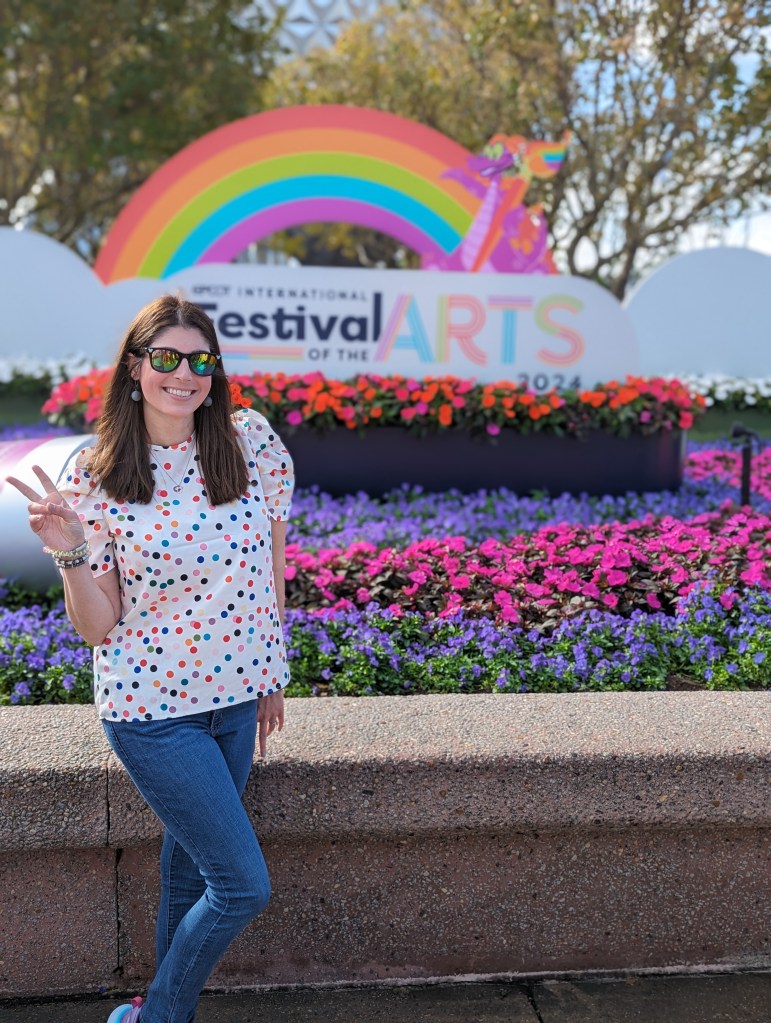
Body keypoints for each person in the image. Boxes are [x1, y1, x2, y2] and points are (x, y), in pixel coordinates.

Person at [7, 294, 295, 1023]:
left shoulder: (248, 443)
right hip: (153, 710)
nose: (184, 374)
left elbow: (269, 569)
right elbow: (98, 626)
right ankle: (157, 1017)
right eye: (166, 357)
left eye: (200, 360)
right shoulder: (98, 474)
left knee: (190, 876)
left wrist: (271, 674)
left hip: (235, 700)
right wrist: (70, 551)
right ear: (135, 368)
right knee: (242, 885)